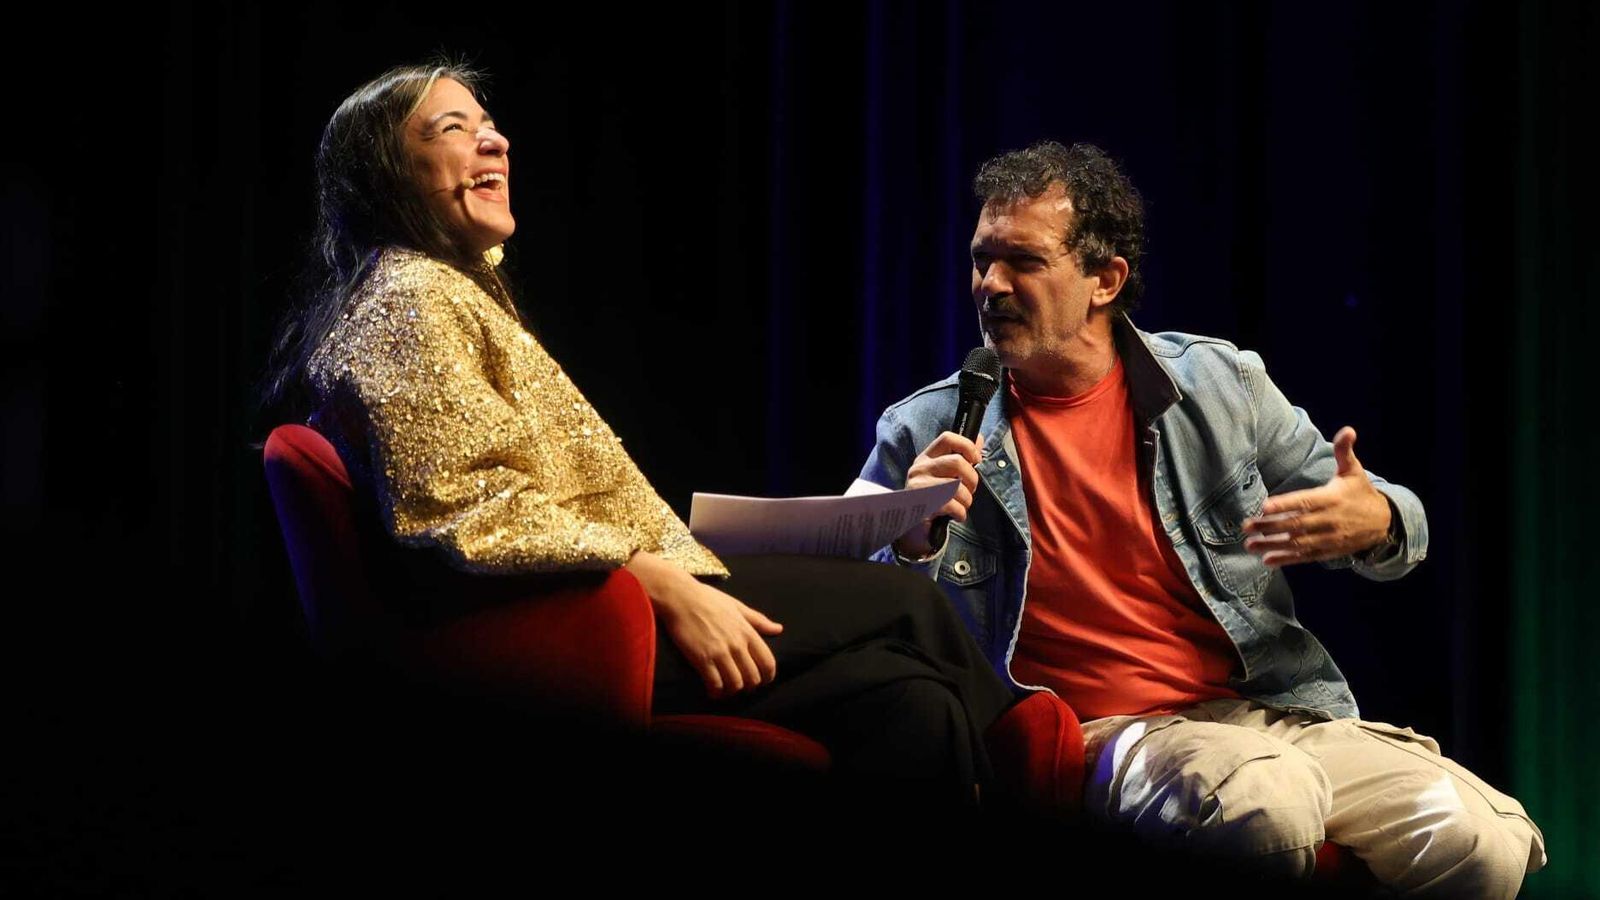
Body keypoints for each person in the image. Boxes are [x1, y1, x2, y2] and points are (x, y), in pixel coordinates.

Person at [259, 61, 1015, 804]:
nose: (496, 144)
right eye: (454, 129)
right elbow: (472, 504)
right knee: (904, 602)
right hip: (568, 632)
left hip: (599, 598)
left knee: (909, 703)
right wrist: (662, 584)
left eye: (490, 126)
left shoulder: (442, 291)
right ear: (388, 173)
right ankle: (1042, 758)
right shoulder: (408, 297)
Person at [856, 140, 1547, 894]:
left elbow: (1397, 521)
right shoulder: (926, 427)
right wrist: (910, 540)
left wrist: (1375, 517)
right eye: (981, 259)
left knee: (1486, 841)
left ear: (1104, 280)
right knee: (1264, 800)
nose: (990, 284)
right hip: (1102, 730)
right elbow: (847, 611)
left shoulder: (1220, 386)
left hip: (1264, 711)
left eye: (1022, 260)